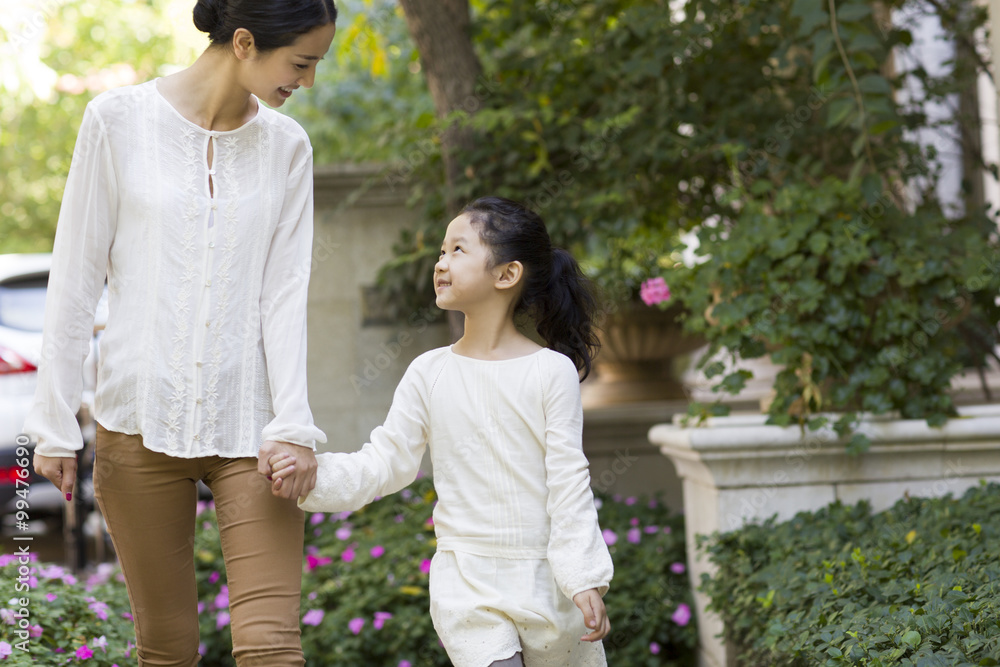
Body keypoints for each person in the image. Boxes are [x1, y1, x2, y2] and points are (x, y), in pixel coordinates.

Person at [25, 1, 337, 664]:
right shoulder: (118, 120)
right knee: (166, 648)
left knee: (272, 645)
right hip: (136, 418)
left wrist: (293, 422)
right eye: (301, 63)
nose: (306, 82)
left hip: (253, 426)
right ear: (246, 42)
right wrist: (52, 419)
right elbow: (77, 277)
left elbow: (284, 294)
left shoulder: (288, 146)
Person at [270, 196, 614, 667]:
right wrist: (313, 477)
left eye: (457, 250)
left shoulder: (550, 372)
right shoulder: (428, 371)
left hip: (547, 582)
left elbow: (569, 479)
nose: (440, 263)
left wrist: (582, 576)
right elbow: (387, 462)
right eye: (440, 251)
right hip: (466, 581)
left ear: (506, 274)